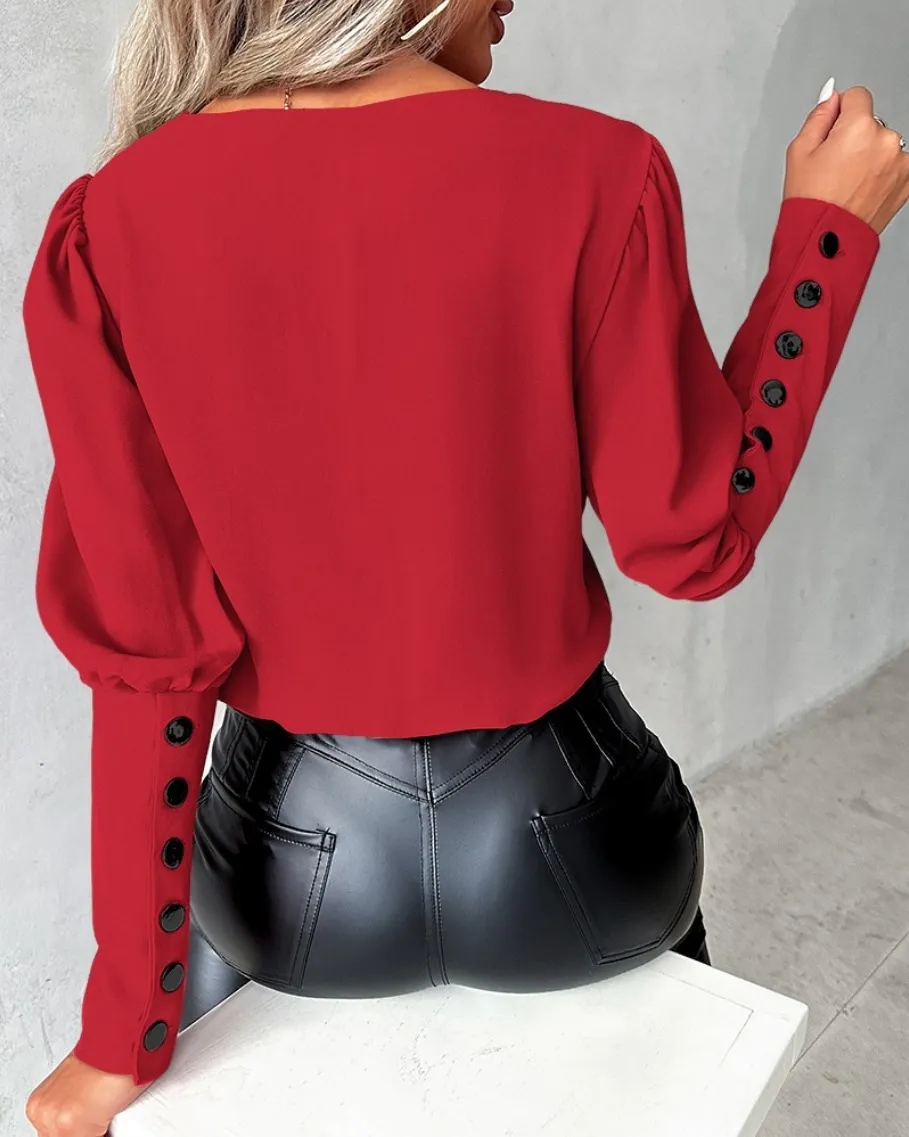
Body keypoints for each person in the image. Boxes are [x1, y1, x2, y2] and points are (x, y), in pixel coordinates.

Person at [20, 0, 909, 1130]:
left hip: (297, 877)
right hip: (568, 852)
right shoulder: (596, 170)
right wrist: (828, 235)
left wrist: (120, 1039)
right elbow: (696, 543)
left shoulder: (111, 223)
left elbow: (149, 660)